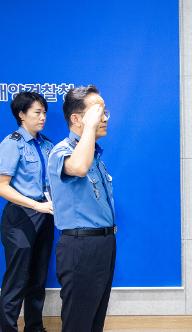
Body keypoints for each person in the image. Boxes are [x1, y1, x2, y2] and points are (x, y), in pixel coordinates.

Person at [47, 85, 116, 332]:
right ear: (77, 118)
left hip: (103, 245)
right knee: (79, 322)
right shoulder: (62, 151)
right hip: (80, 247)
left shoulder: (95, 155)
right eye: (98, 112)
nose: (105, 117)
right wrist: (89, 127)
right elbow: (78, 168)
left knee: (94, 321)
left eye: (105, 111)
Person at [0, 92, 54, 332]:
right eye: (37, 112)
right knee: (17, 279)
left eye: (44, 112)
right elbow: (1, 186)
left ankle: (35, 327)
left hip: (46, 215)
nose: (42, 117)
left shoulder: (47, 144)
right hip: (20, 217)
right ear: (21, 115)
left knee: (38, 278)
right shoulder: (12, 143)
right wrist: (35, 205)